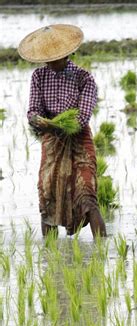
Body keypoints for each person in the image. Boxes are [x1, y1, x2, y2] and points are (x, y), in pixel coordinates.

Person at [19, 24, 106, 237]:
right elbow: (33, 110)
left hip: (78, 141)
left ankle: (102, 250)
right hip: (51, 142)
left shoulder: (83, 78)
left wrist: (54, 125)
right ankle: (50, 255)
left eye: (56, 56)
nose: (51, 61)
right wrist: (36, 120)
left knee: (87, 191)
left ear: (68, 54)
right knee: (47, 192)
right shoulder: (39, 76)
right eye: (47, 57)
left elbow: (82, 117)